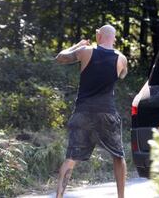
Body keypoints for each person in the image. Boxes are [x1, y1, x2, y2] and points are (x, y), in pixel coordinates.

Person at [55, 24, 128, 198]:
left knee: (71, 158)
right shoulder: (121, 58)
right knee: (118, 156)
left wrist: (77, 46)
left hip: (83, 112)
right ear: (114, 38)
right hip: (107, 113)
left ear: (98, 36)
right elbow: (122, 74)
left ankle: (59, 196)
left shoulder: (86, 51)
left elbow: (60, 57)